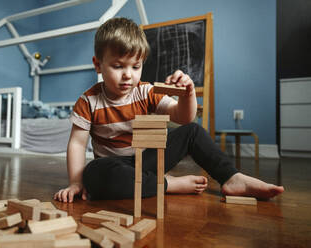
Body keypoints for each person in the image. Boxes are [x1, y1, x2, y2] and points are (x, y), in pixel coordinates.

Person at [54, 17, 284, 203]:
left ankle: (232, 177)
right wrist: (76, 182)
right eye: (117, 66)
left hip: (149, 160)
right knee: (93, 174)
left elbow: (182, 117)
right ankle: (167, 184)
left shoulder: (146, 92)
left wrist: (188, 94)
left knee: (193, 131)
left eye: (136, 66)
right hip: (115, 168)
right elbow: (76, 144)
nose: (128, 75)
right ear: (98, 65)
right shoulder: (88, 101)